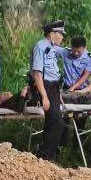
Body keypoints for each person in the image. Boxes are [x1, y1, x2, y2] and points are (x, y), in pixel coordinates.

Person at [30, 20, 68, 161]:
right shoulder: (40, 47)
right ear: (52, 34)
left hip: (53, 88)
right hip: (44, 87)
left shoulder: (51, 47)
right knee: (56, 121)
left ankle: (47, 155)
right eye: (60, 34)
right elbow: (38, 73)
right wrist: (44, 97)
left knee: (53, 122)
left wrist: (58, 94)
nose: (62, 37)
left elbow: (54, 74)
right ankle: (44, 155)